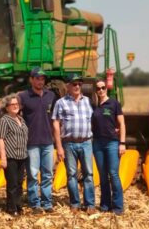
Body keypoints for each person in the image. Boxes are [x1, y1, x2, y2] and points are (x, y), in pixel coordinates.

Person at [52, 73, 96, 215]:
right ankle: (75, 204)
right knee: (71, 175)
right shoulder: (61, 103)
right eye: (74, 84)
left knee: (88, 174)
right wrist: (58, 146)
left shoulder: (89, 101)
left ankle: (90, 204)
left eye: (79, 84)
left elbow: (97, 119)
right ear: (68, 86)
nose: (77, 86)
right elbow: (56, 124)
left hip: (86, 143)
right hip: (68, 144)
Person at [18, 67, 56, 214]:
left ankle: (47, 203)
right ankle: (35, 204)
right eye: (37, 78)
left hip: (47, 141)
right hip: (31, 142)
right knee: (33, 174)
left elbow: (55, 118)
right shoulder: (24, 96)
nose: (40, 81)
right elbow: (16, 114)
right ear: (31, 79)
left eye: (42, 78)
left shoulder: (50, 95)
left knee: (47, 174)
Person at [92, 79, 126, 215]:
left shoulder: (114, 103)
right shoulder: (94, 106)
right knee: (103, 176)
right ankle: (105, 205)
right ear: (95, 90)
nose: (100, 90)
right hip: (98, 143)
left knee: (113, 174)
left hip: (112, 143)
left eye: (103, 87)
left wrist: (122, 143)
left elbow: (122, 124)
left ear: (107, 89)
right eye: (98, 88)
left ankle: (118, 207)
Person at [0, 94, 28, 216]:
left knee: (20, 182)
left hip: (22, 156)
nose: (15, 106)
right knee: (12, 183)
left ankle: (18, 205)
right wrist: (3, 157)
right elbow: (0, 139)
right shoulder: (3, 120)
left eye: (17, 104)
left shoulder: (21, 119)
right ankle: (11, 208)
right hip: (11, 157)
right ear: (7, 107)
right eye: (12, 105)